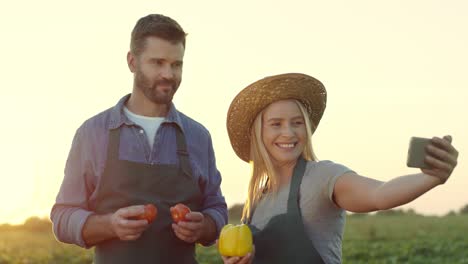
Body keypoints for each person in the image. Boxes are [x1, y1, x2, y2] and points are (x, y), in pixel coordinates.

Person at [222, 73, 458, 264]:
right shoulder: (257, 198)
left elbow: (379, 194)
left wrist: (430, 178)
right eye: (276, 124)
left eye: (298, 122)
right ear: (258, 133)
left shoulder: (323, 177)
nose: (289, 132)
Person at [50, 14, 228, 263]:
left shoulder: (198, 136)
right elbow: (62, 218)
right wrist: (110, 225)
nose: (169, 74)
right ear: (132, 62)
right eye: (158, 62)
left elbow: (217, 209)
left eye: (176, 65)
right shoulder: (92, 133)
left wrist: (205, 226)